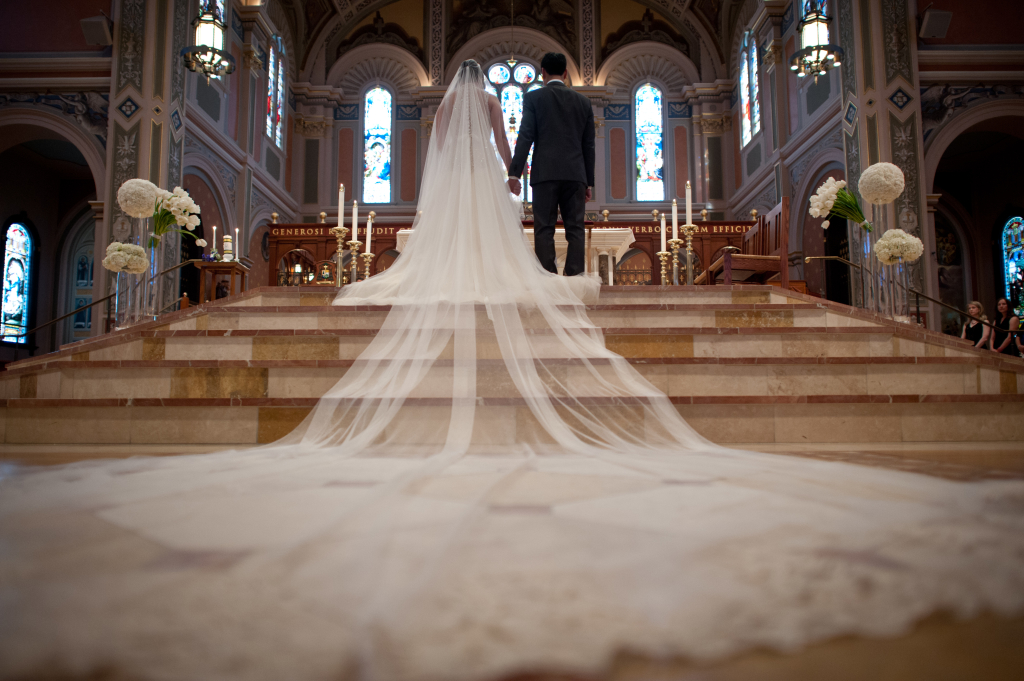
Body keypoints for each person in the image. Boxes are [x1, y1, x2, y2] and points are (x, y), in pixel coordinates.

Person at [2, 58, 1023, 681]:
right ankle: (557, 281)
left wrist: (516, 167)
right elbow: (526, 142)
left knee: (539, 235)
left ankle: (539, 272)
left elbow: (505, 146)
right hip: (565, 178)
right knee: (564, 244)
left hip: (521, 184)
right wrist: (527, 164)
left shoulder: (492, 108)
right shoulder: (556, 104)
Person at [508, 52, 595, 276]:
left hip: (544, 174)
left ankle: (548, 279)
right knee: (575, 229)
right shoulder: (584, 102)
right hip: (575, 175)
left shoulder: (534, 98)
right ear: (565, 73)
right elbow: (589, 145)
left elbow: (525, 136)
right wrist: (588, 182)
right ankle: (574, 278)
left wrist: (514, 174)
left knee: (544, 229)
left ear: (543, 73)